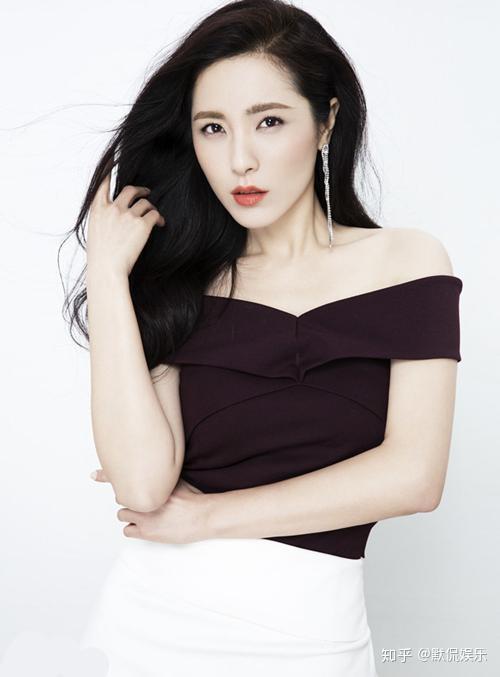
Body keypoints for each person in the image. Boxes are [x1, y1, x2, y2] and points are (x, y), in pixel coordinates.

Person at [66, 0, 463, 674]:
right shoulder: (180, 284)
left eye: (269, 121)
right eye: (212, 128)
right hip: (150, 622)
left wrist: (207, 517)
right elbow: (142, 485)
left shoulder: (407, 261)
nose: (240, 159)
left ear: (326, 120)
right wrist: (107, 273)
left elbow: (414, 477)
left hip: (315, 634)